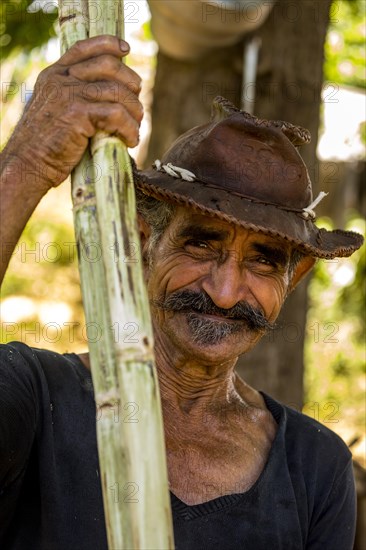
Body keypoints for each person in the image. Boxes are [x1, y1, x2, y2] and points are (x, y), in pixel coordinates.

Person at [0, 36, 363, 550]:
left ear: (293, 278)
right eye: (200, 244)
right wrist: (28, 162)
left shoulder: (316, 466)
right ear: (144, 243)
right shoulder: (35, 399)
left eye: (263, 260)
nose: (224, 291)